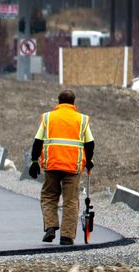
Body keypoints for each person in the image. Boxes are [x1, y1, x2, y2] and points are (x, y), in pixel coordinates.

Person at [28, 89, 94, 245]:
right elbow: (90, 143)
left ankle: (51, 226)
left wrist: (33, 161)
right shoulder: (81, 120)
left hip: (52, 165)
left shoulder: (49, 118)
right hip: (72, 167)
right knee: (70, 200)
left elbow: (38, 141)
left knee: (49, 196)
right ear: (73, 102)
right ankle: (66, 236)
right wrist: (89, 160)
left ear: (58, 102)